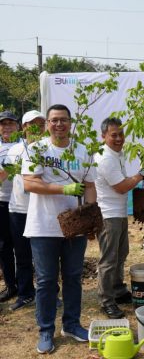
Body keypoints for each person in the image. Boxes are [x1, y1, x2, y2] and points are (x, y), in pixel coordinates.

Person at [22, 104, 97, 354]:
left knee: (73, 277)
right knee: (46, 280)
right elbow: (30, 183)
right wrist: (63, 189)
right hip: (43, 226)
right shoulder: (37, 150)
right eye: (54, 120)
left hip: (75, 227)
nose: (59, 124)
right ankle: (46, 329)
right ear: (47, 124)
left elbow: (89, 186)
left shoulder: (83, 150)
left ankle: (71, 325)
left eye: (63, 120)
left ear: (70, 123)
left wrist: (90, 217)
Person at [95, 117, 144, 319]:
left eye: (121, 134)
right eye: (114, 135)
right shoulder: (105, 158)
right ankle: (106, 301)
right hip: (107, 215)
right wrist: (141, 174)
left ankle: (117, 290)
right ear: (103, 136)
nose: (119, 138)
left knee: (121, 253)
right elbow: (121, 187)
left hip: (117, 213)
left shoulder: (116, 154)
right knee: (109, 259)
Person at [5, 110, 46, 310]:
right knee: (22, 255)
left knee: (45, 256)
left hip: (42, 210)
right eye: (32, 124)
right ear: (24, 127)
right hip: (19, 209)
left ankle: (49, 292)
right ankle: (25, 293)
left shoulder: (48, 149)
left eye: (40, 123)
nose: (36, 127)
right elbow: (5, 175)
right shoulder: (15, 150)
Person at [0, 110, 20, 303]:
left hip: (22, 203)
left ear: (18, 126)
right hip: (2, 201)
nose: (7, 127)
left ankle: (26, 284)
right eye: (3, 123)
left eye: (10, 123)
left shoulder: (25, 146)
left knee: (24, 245)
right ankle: (10, 285)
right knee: (4, 245)